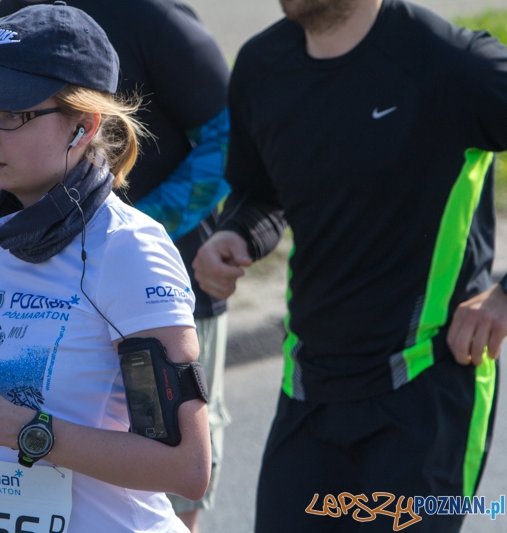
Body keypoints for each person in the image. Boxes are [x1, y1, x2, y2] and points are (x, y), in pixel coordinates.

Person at [193, 0, 507, 531]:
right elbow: (262, 193)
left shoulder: (453, 64)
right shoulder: (262, 66)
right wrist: (235, 233)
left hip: (424, 391)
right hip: (307, 393)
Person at [0, 1, 231, 530]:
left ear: (82, 125)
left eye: (11, 114)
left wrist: (21, 431)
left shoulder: (129, 252)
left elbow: (185, 467)